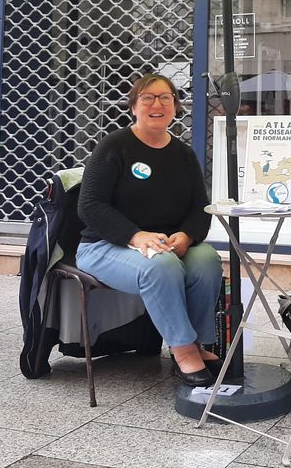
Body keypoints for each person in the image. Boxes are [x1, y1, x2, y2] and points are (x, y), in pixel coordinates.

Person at [77, 73, 223, 386]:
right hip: (105, 247)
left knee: (207, 258)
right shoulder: (114, 147)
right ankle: (183, 351)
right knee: (162, 265)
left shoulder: (184, 156)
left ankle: (196, 342)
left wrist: (186, 236)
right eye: (148, 98)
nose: (157, 104)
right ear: (134, 107)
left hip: (166, 245)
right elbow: (90, 207)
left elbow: (200, 209)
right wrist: (136, 235)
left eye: (165, 98)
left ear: (175, 107)